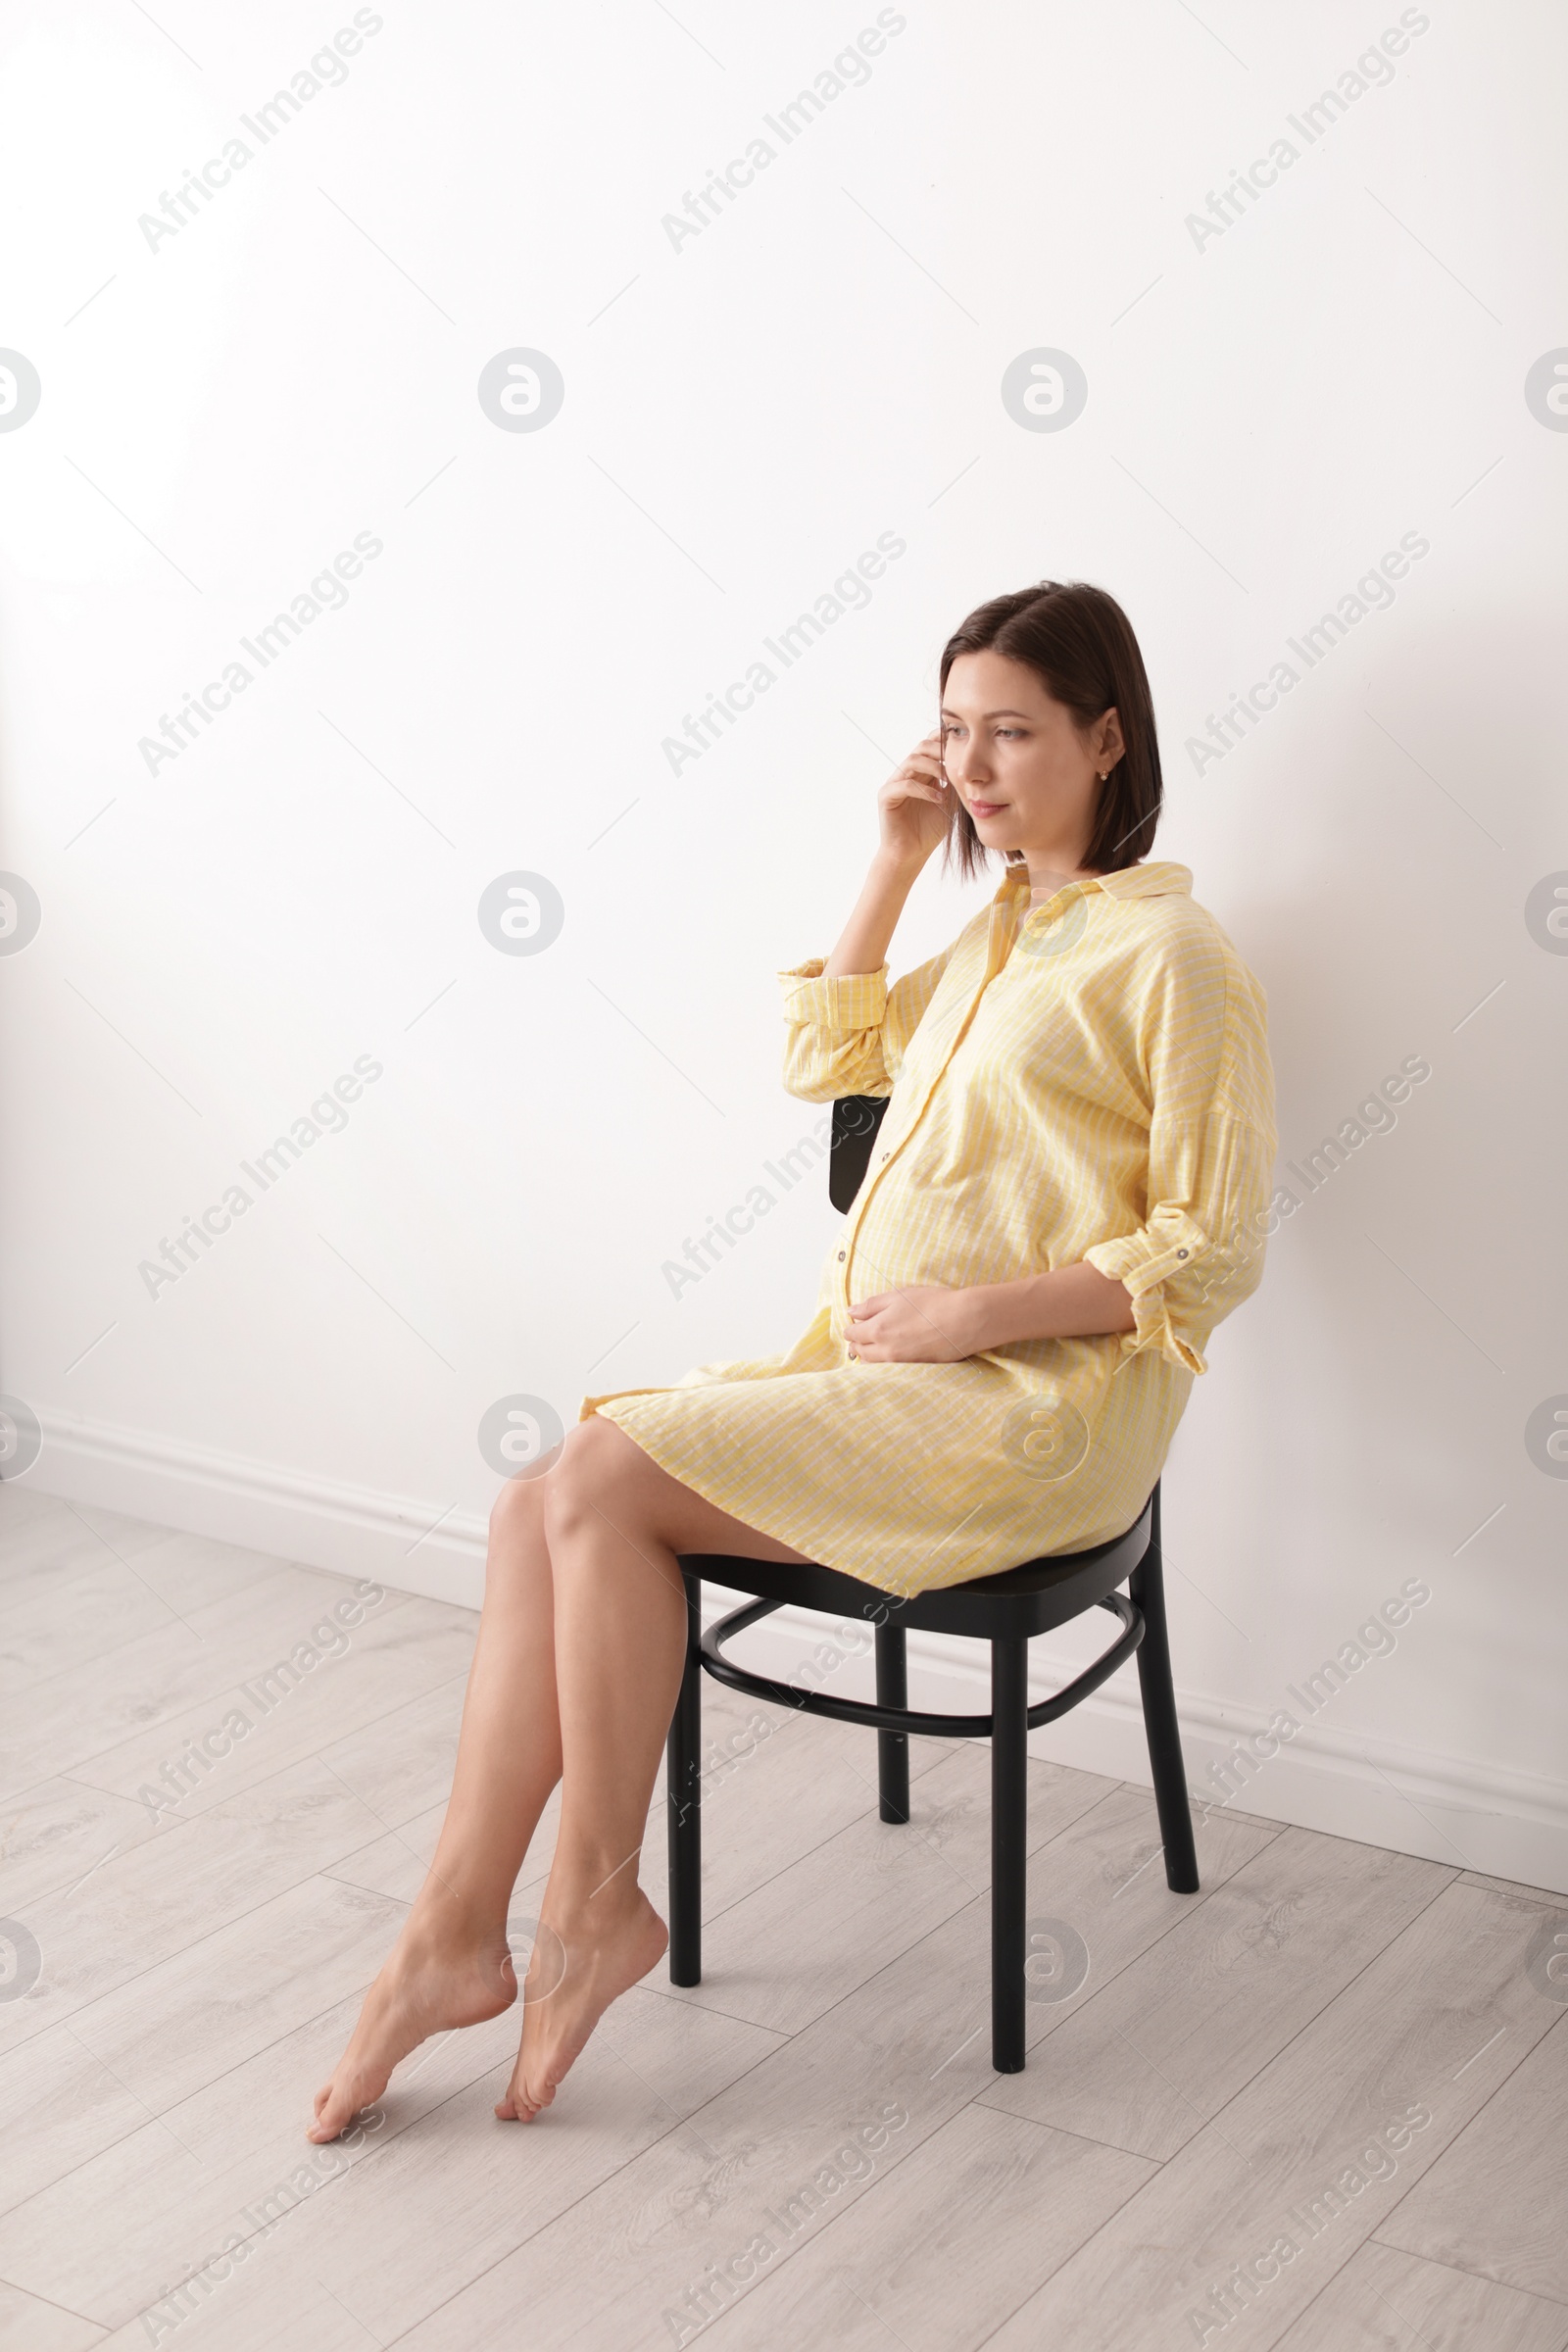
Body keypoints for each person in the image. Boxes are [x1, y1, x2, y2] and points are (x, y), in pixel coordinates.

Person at [309, 579, 1277, 2140]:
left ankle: (589, 1911)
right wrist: (893, 867)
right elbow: (831, 1066)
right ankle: (452, 1933)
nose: (973, 765)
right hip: (897, 1385)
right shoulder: (1001, 930)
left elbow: (1214, 1244)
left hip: (1042, 1416)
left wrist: (980, 1315)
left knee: (606, 1478)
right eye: (953, 731)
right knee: (535, 1498)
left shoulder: (1178, 959)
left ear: (1108, 738)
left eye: (1012, 733)